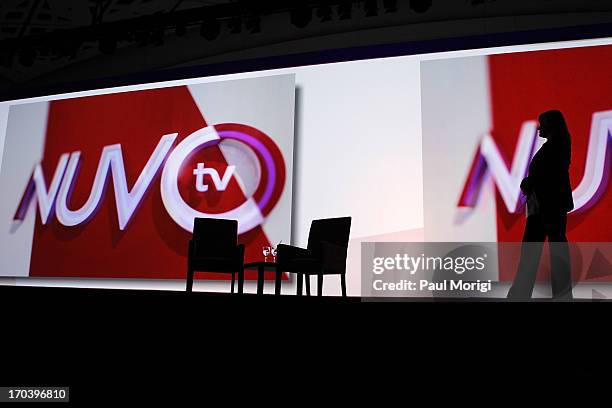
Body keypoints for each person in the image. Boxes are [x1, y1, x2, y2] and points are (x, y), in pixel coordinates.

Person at [507, 110, 574, 300]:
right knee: (539, 251)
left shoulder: (556, 147)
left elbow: (550, 175)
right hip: (542, 208)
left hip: (547, 207)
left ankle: (522, 296)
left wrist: (529, 183)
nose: (539, 127)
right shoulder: (554, 146)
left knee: (540, 252)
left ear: (551, 125)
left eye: (542, 123)